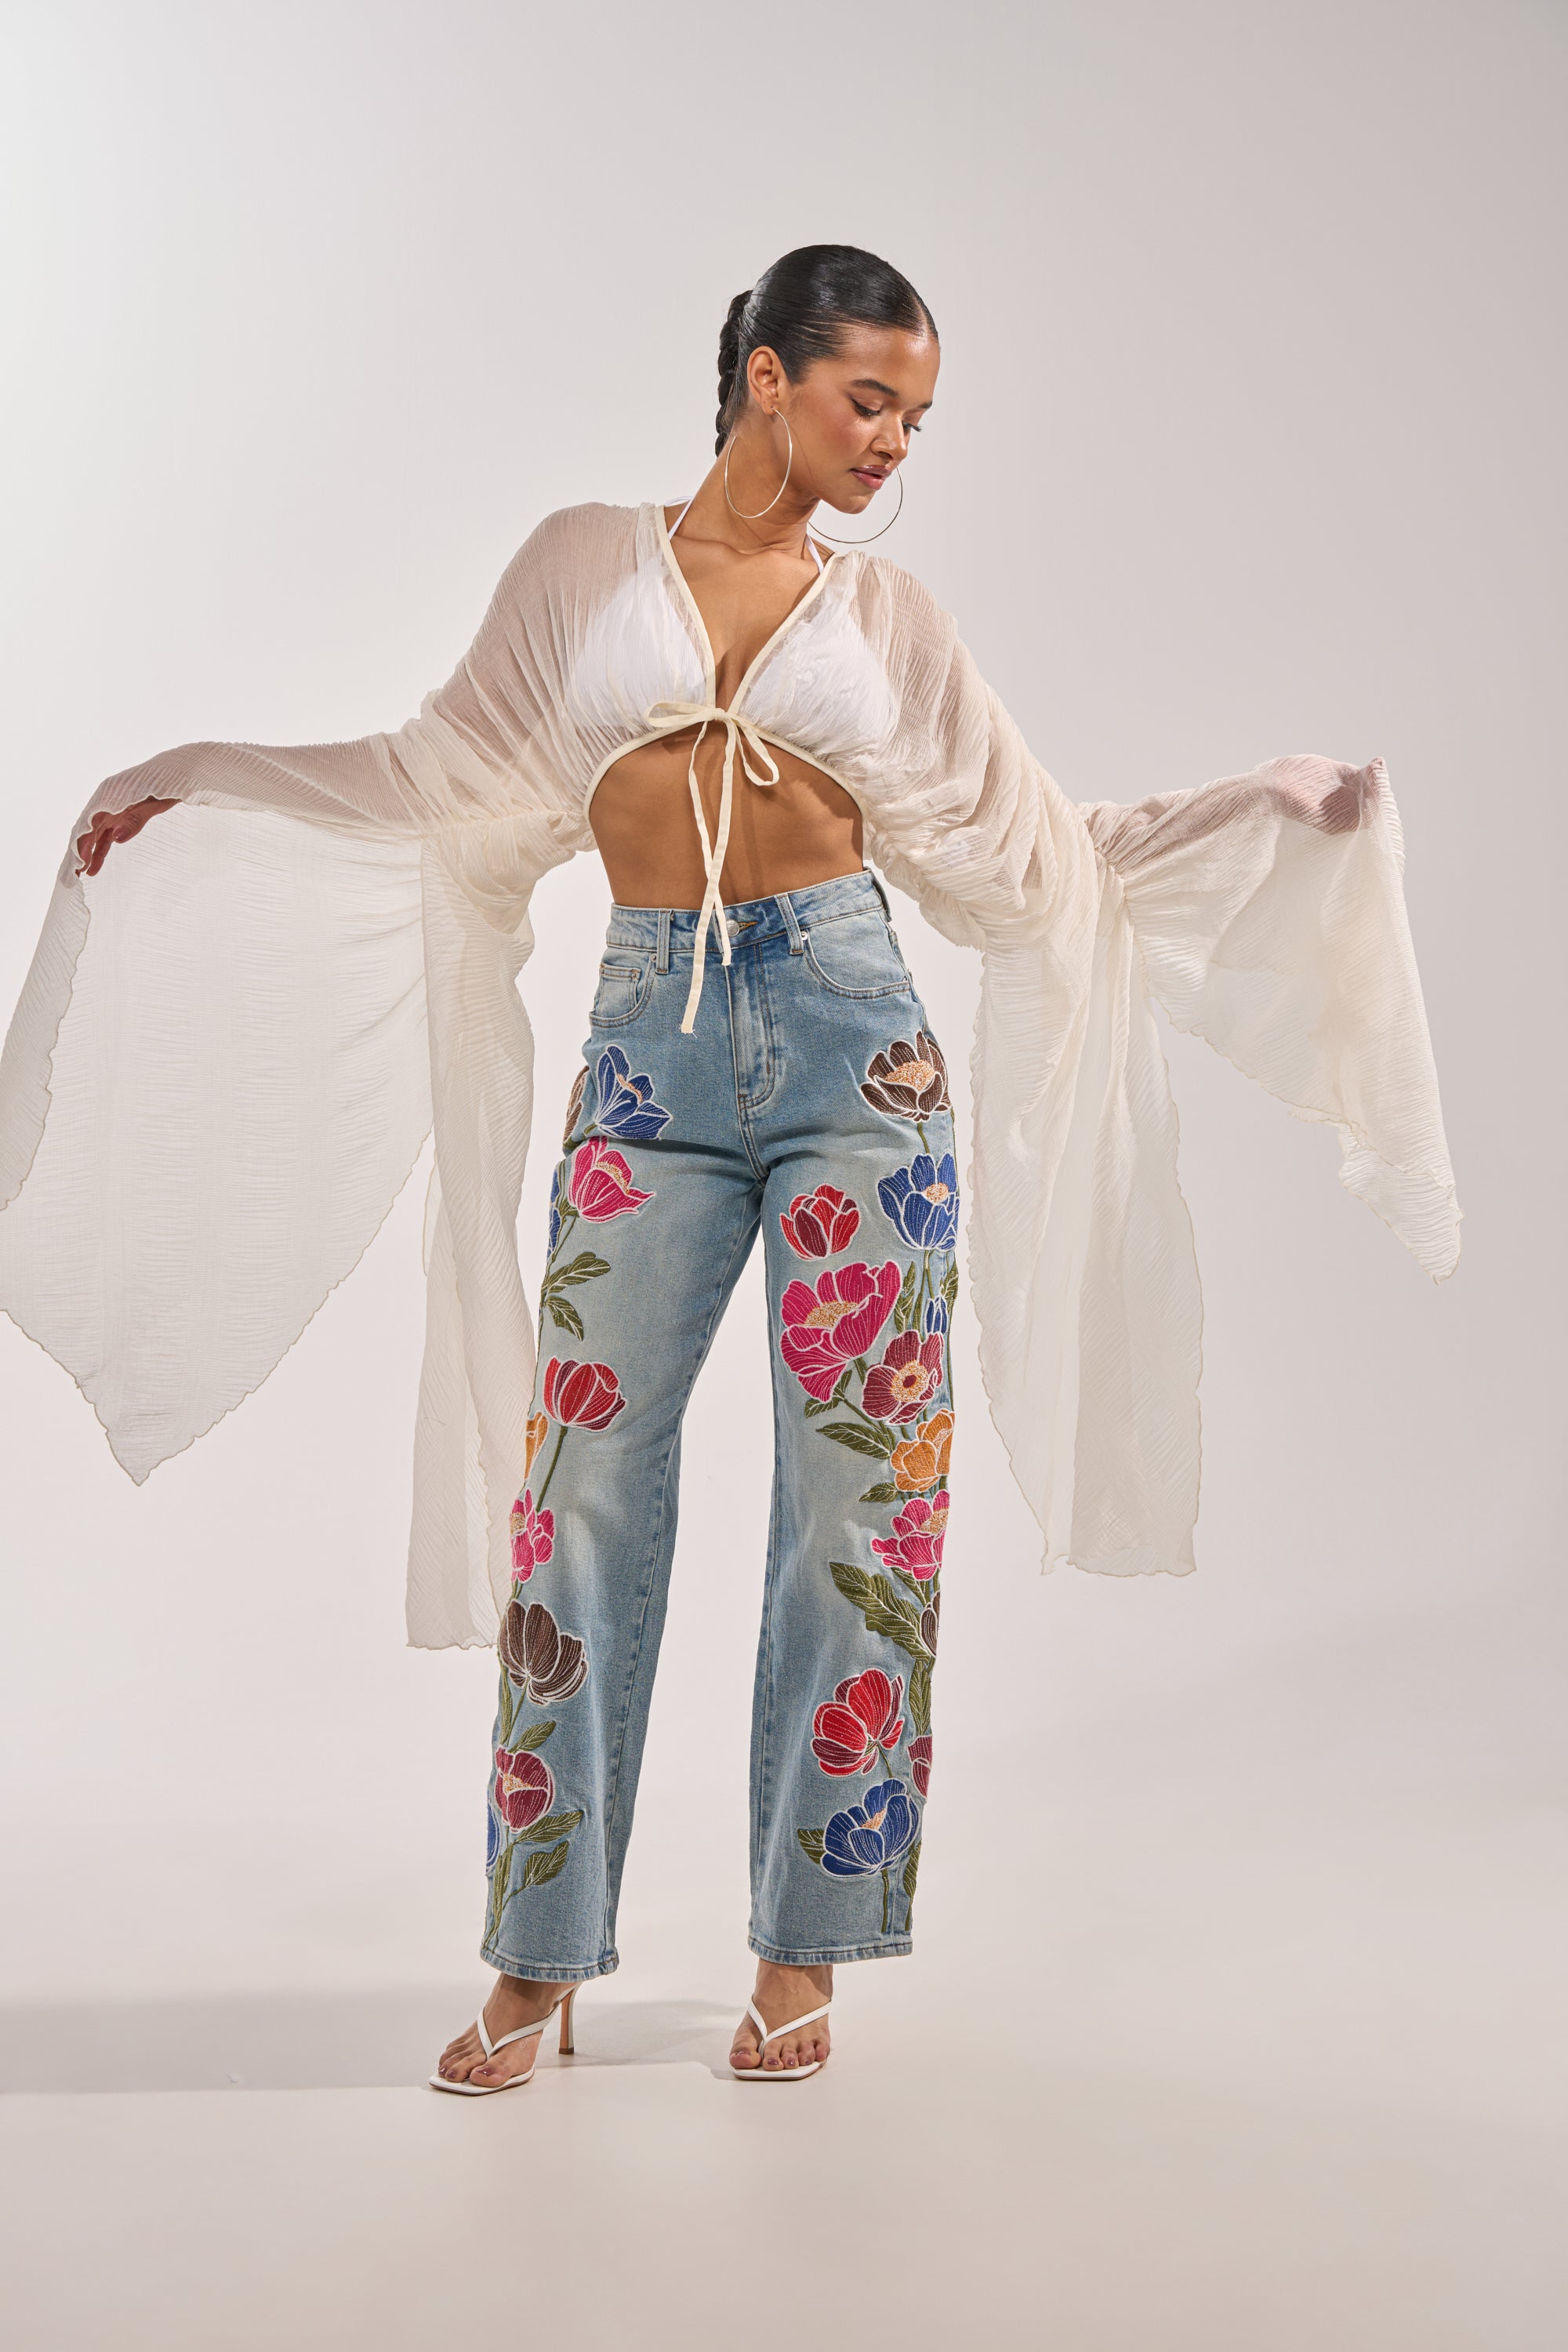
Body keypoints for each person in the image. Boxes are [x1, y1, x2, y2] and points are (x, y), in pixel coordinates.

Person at [0, 245, 1461, 2089]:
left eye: (916, 419)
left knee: (861, 1510)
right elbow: (434, 771)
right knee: (577, 1499)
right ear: (765, 377)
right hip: (648, 1059)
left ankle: (807, 1942)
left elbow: (1043, 849)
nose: (891, 447)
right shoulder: (579, 567)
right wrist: (203, 768)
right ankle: (540, 1953)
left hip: (864, 1056)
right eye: (869, 402)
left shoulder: (889, 620)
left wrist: (1263, 799)